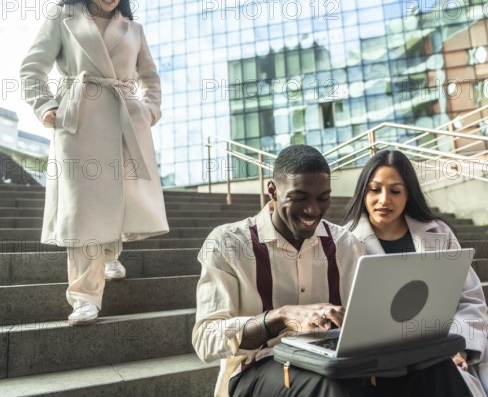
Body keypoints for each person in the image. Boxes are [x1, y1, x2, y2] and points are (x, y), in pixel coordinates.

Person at [192, 145, 472, 397]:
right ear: (273, 191)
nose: (313, 210)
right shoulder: (228, 242)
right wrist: (280, 317)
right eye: (299, 197)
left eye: (323, 198)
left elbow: (368, 323)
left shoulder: (346, 244)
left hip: (338, 360)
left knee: (435, 368)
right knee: (330, 385)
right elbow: (206, 338)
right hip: (260, 366)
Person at [342, 149, 488, 397]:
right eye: (374, 189)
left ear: (408, 194)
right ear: (363, 192)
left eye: (395, 191)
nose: (383, 200)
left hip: (454, 342)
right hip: (391, 361)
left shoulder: (438, 233)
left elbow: (470, 299)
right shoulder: (346, 242)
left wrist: (458, 346)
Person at [20, 0, 169, 325]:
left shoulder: (134, 28)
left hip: (127, 119)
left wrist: (150, 109)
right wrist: (44, 104)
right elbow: (32, 68)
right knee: (84, 207)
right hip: (79, 120)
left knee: (123, 195)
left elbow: (151, 78)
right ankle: (84, 297)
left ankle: (110, 254)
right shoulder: (63, 16)